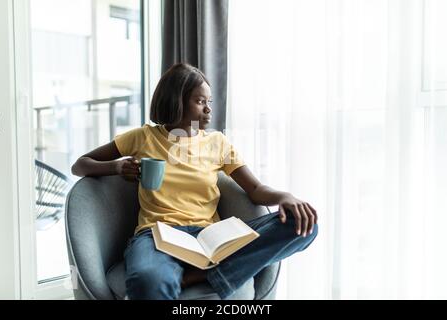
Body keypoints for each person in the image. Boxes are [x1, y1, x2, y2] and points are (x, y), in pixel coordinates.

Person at [71, 63, 318, 300]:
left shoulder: (218, 143)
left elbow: (254, 189)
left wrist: (284, 196)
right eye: (200, 102)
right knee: (147, 282)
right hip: (157, 235)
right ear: (176, 101)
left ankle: (200, 274)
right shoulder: (143, 137)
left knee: (303, 225)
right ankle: (209, 274)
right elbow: (80, 164)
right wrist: (115, 167)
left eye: (209, 102)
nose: (209, 109)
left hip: (211, 236)